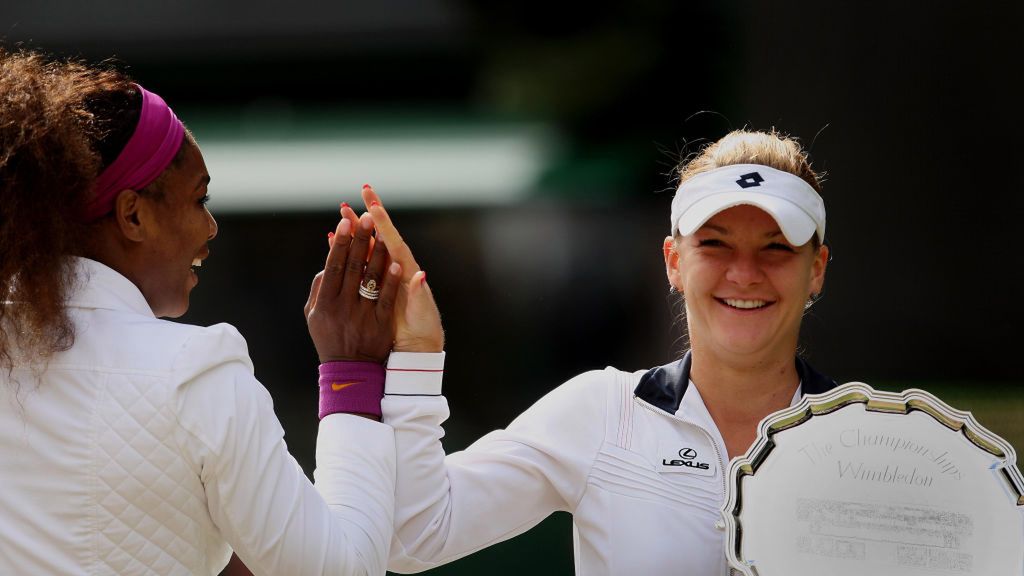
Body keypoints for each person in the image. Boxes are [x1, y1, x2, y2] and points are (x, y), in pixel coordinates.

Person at [0, 48, 437, 575]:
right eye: (199, 199)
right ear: (133, 215)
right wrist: (352, 372)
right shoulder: (194, 369)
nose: (210, 229)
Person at [365, 129, 836, 574]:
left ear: (816, 268)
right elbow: (415, 535)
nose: (744, 274)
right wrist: (416, 354)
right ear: (674, 261)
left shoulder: (867, 439)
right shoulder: (606, 412)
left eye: (776, 248)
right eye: (715, 244)